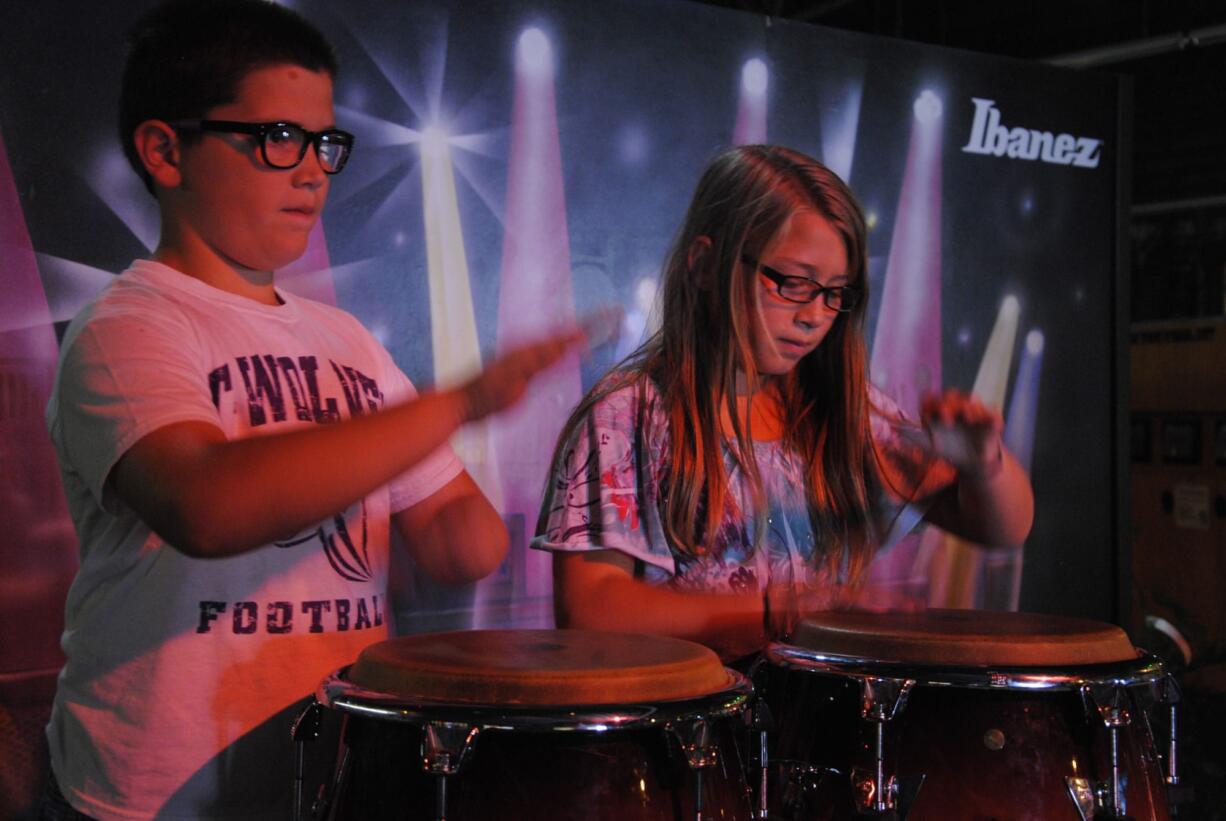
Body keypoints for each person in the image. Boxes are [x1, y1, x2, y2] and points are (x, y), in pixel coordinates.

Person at [39, 1, 585, 818]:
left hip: (326, 771)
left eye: (324, 143)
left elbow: (460, 543)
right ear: (164, 151)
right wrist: (462, 401)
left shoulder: (347, 340)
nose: (312, 172)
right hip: (158, 791)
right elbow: (207, 503)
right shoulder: (128, 324)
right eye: (277, 139)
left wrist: (522, 453)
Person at [534, 145, 1034, 662]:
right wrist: (781, 610)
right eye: (793, 283)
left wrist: (984, 467)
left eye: (835, 293)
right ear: (705, 265)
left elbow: (1001, 528)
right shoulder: (627, 417)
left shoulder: (846, 409)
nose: (816, 315)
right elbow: (590, 610)